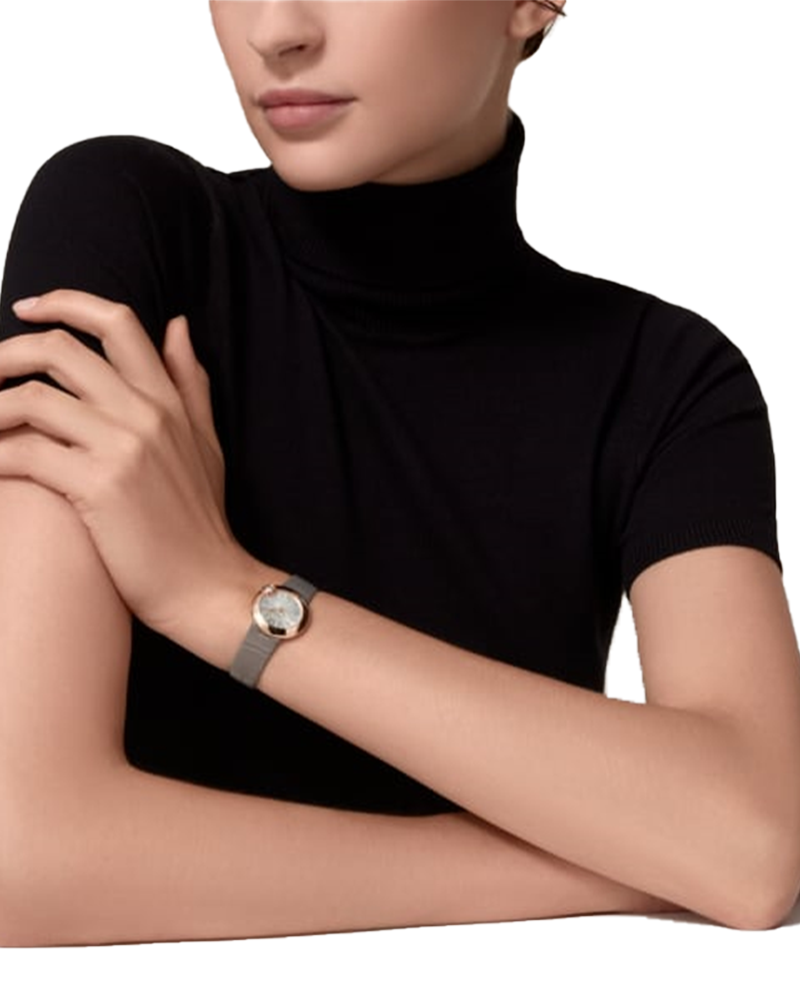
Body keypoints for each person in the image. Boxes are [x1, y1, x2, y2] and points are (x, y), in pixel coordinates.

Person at [0, 0, 798, 948]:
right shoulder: (131, 222)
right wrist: (629, 857)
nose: (275, 31)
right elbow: (24, 855)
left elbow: (753, 845)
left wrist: (219, 595)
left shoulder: (667, 379)